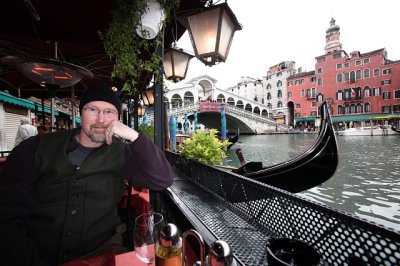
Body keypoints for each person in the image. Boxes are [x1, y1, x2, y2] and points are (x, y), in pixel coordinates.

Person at [0, 84, 174, 265]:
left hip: (101, 254)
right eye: (92, 110)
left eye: (109, 112)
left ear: (117, 118)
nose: (101, 119)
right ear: (79, 113)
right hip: (37, 255)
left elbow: (162, 179)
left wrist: (135, 137)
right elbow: (6, 218)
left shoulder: (122, 152)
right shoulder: (33, 149)